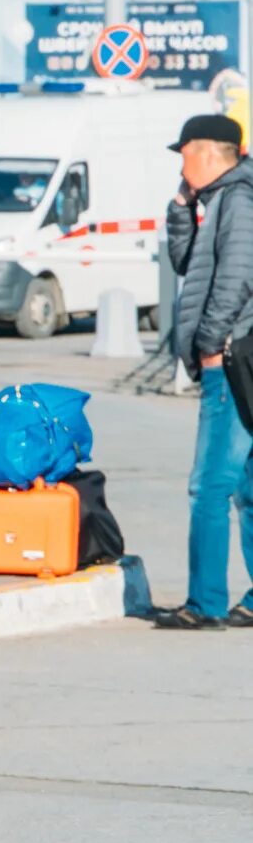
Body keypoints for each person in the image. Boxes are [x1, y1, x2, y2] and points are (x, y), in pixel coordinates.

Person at [156, 113, 253, 630]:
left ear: (209, 153)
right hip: (237, 356)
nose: (181, 162)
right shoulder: (218, 200)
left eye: (185, 152)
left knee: (210, 485)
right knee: (247, 485)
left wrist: (212, 342)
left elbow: (237, 276)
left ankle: (206, 603)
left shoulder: (238, 200)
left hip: (231, 361)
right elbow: (188, 264)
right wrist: (180, 210)